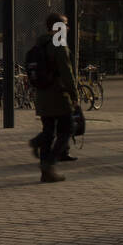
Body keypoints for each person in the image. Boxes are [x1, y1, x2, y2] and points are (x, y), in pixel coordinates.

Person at [32, 11, 80, 184]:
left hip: (42, 95)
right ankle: (49, 165)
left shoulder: (40, 44)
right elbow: (67, 74)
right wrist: (75, 96)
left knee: (48, 132)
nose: (67, 28)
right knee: (68, 129)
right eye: (65, 25)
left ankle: (46, 170)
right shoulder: (59, 45)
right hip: (59, 96)